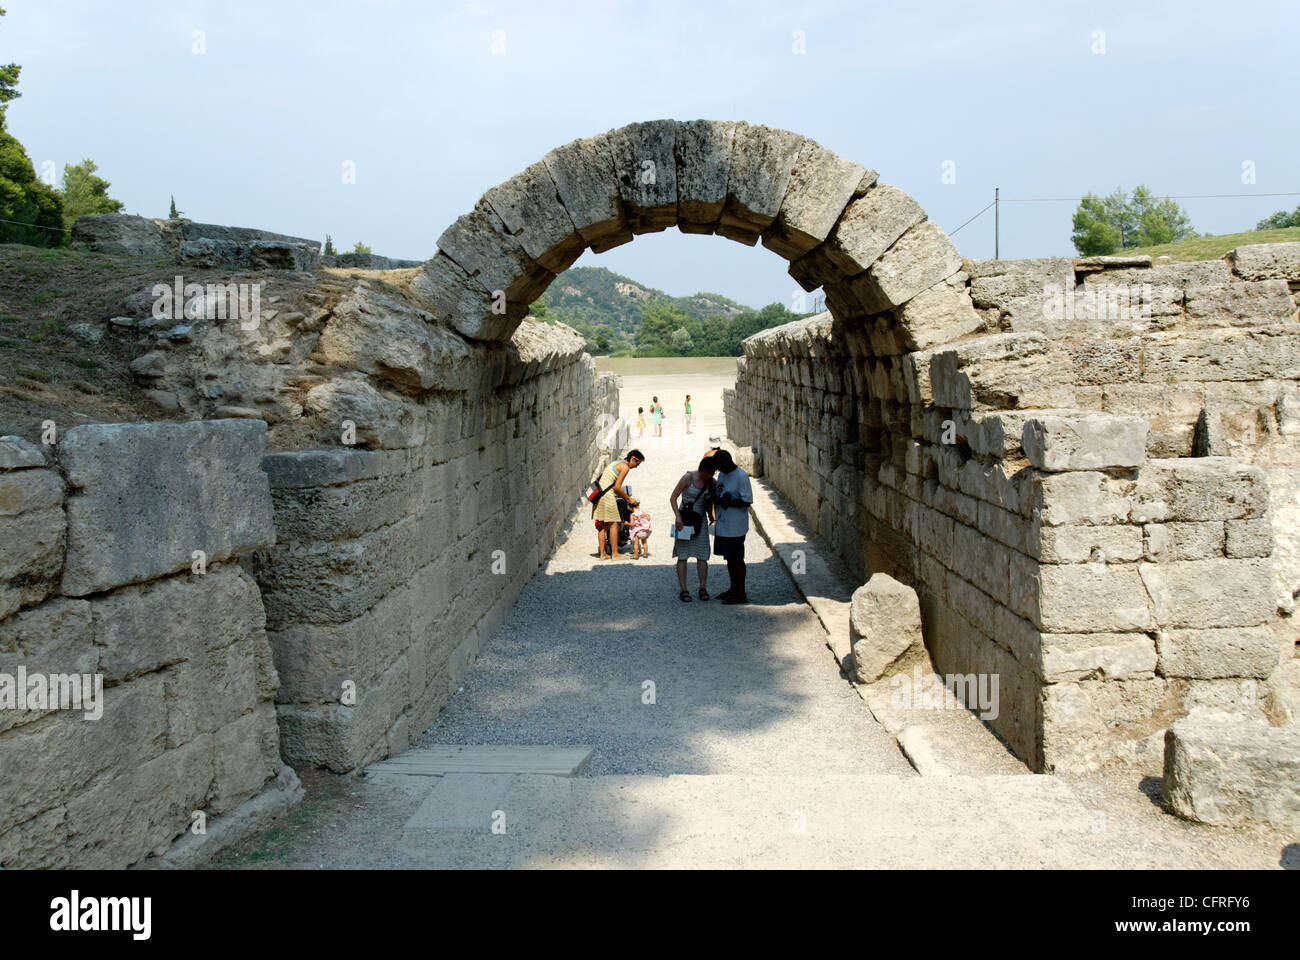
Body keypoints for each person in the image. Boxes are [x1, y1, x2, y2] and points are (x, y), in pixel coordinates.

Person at [669, 455, 716, 601]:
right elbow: (673, 497)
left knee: (702, 555)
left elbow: (710, 502)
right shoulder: (688, 478)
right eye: (708, 473)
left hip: (700, 521)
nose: (709, 476)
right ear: (701, 470)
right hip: (683, 520)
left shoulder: (712, 482)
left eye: (712, 474)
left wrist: (712, 517)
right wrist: (677, 516)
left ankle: (703, 587)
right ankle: (684, 589)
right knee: (682, 555)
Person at [711, 449, 753, 604]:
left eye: (719, 466)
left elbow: (747, 501)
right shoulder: (723, 474)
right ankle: (733, 588)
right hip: (723, 524)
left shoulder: (741, 476)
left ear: (726, 463)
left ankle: (741, 593)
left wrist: (727, 502)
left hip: (735, 525)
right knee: (729, 558)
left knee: (737, 559)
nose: (718, 470)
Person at [592, 449, 643, 560]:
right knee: (614, 524)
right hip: (607, 497)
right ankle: (615, 554)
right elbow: (617, 487)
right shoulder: (625, 467)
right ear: (633, 458)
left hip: (600, 494)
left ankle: (603, 554)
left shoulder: (616, 462)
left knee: (602, 525)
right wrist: (629, 499)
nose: (636, 466)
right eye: (637, 463)